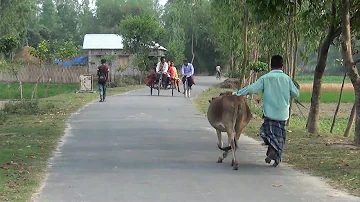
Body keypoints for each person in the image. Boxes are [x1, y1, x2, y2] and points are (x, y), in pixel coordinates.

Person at [232, 55, 300, 167]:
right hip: (283, 114)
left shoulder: (265, 78)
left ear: (270, 65)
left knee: (266, 132)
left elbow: (252, 88)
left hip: (269, 113)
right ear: (282, 66)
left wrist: (237, 93)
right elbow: (296, 94)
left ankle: (272, 149)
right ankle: (276, 156)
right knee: (280, 136)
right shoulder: (287, 79)